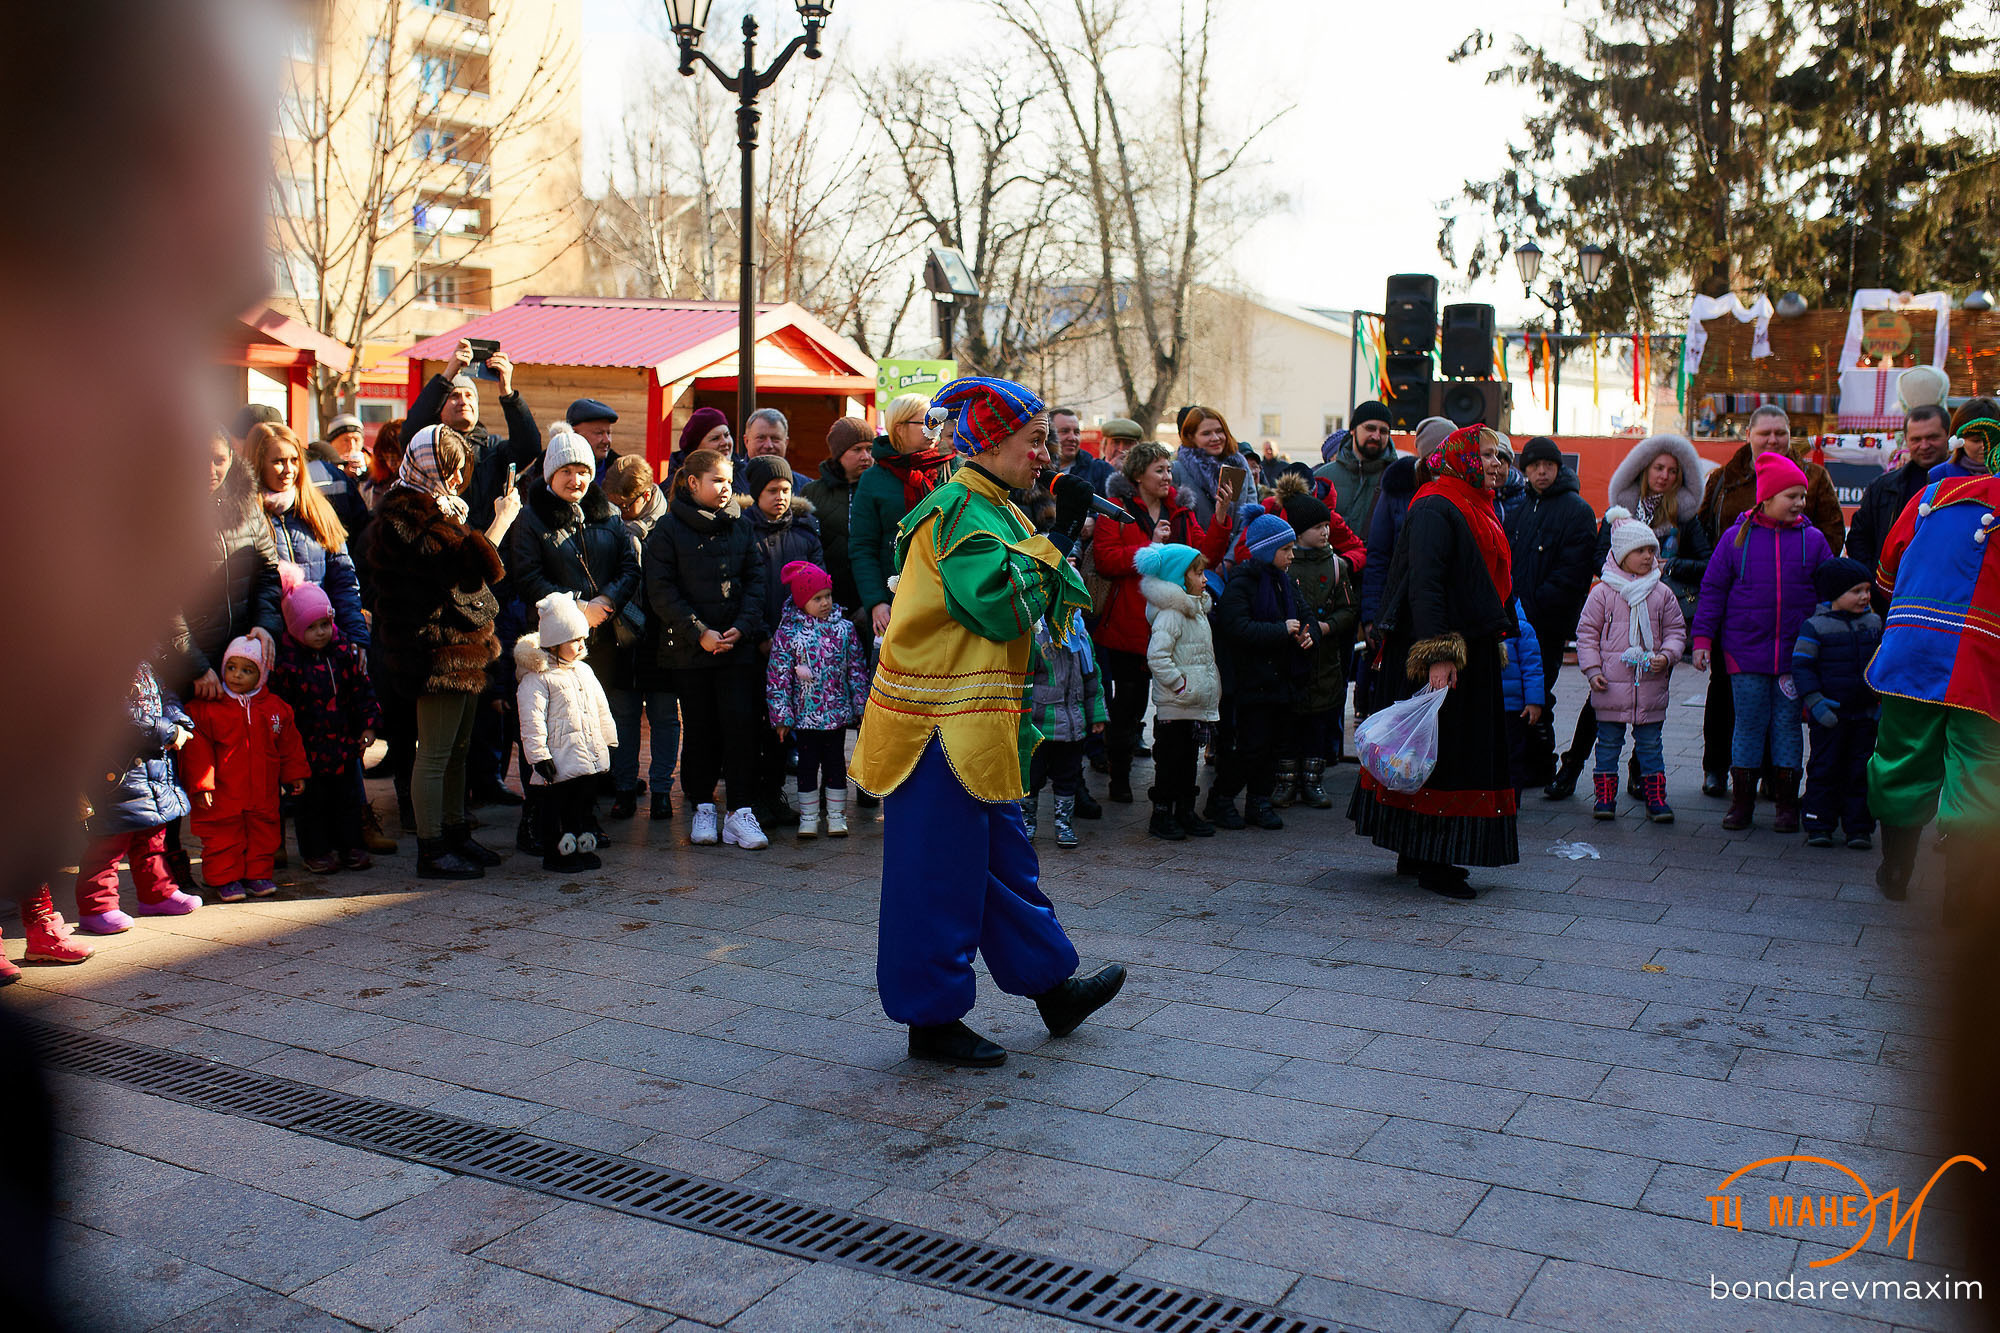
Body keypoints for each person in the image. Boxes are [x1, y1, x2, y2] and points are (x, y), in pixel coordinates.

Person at [851, 375, 1126, 1067]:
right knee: (937, 877)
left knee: (1005, 866)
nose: (1045, 454)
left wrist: (1050, 531)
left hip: (976, 729)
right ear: (993, 442)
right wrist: (1060, 530)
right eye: (1034, 441)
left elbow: (1039, 601)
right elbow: (1002, 607)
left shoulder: (995, 508)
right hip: (934, 731)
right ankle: (931, 1019)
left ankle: (1051, 987)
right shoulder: (958, 511)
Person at [1351, 426, 1520, 900]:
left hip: (1467, 643)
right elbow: (1426, 585)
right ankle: (1433, 862)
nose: (1493, 462)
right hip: (1445, 648)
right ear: (1461, 458)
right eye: (1485, 454)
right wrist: (1439, 656)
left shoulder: (1470, 503)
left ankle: (1420, 852)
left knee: (1445, 750)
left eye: (1497, 455)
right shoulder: (1436, 504)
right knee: (1443, 755)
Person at [367, 424, 520, 878]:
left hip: (462, 650)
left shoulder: (441, 508)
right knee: (433, 754)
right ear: (428, 466)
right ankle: (432, 849)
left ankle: (455, 833)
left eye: (460, 472)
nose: (457, 481)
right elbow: (464, 570)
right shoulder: (405, 515)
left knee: (458, 750)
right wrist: (501, 522)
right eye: (451, 471)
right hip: (433, 653)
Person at [1866, 435, 2000, 905]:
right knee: (1980, 771)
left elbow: (1886, 569)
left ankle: (1896, 871)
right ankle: (1962, 900)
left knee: (1903, 756)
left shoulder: (1930, 496)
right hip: (1986, 661)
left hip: (1914, 647)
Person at [1697, 405, 1846, 797]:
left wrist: (1806, 576)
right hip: (1740, 617)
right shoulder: (1723, 478)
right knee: (1730, 700)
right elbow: (1702, 530)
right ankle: (1719, 770)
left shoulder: (1813, 477)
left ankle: (1775, 784)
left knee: (1784, 717)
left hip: (1793, 619)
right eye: (1765, 433)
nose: (1773, 439)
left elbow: (1832, 534)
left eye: (1780, 432)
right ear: (1749, 434)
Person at [1563, 432, 1714, 797]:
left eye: (1673, 471)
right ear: (1644, 469)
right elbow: (1599, 556)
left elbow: (1708, 562)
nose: (1664, 475)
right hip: (1617, 617)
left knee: (1647, 701)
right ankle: (1571, 769)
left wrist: (1671, 565)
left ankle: (1639, 775)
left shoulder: (1685, 515)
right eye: (1658, 468)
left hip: (1660, 617)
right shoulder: (1621, 512)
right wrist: (1623, 575)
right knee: (1599, 700)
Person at [507, 422, 641, 829]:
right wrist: (577, 609)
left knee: (585, 726)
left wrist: (605, 602)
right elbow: (526, 575)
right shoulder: (531, 519)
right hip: (552, 642)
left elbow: (629, 566)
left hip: (602, 637)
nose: (576, 479)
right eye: (567, 471)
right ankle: (540, 817)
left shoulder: (608, 514)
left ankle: (584, 816)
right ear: (550, 475)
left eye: (583, 470)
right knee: (549, 728)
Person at [1092, 440, 1235, 805]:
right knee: (1128, 706)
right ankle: (1119, 775)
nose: (1167, 477)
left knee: (1177, 710)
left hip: (1174, 625)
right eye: (1159, 470)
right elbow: (1107, 559)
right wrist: (1152, 550)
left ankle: (1172, 785)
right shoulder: (1116, 510)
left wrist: (1220, 516)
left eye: (1169, 470)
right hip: (1129, 626)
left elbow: (1206, 559)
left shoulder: (1183, 514)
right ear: (1138, 475)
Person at [644, 447, 769, 849]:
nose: (725, 488)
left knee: (741, 726)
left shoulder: (741, 526)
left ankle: (741, 811)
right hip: (689, 651)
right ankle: (702, 806)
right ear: (693, 482)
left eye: (729, 481)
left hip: (737, 647)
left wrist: (741, 627)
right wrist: (699, 632)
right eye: (717, 480)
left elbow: (756, 581)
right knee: (699, 729)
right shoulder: (666, 531)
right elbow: (661, 591)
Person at [72, 662, 202, 933]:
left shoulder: (145, 660)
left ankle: (157, 894)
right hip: (115, 772)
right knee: (108, 845)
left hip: (152, 768)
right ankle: (97, 907)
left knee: (152, 837)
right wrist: (167, 731)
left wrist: (177, 720)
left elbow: (166, 694)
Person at [1504, 436, 1601, 800]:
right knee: (1518, 691)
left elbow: (1572, 575)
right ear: (1525, 470)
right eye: (1533, 466)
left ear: (1559, 468)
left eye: (1547, 465)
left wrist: (1532, 608)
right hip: (1513, 620)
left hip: (1546, 621)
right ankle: (1526, 761)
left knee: (1539, 689)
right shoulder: (1519, 507)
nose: (1541, 472)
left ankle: (1541, 763)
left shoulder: (1575, 510)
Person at [1575, 511, 1686, 823]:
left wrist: (1668, 654)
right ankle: (1605, 797)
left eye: (1652, 550)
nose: (1648, 557)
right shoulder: (1603, 593)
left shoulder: (1662, 593)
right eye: (1640, 551)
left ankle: (1655, 797)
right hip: (1611, 685)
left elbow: (1677, 631)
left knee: (1651, 745)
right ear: (1622, 554)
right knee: (1608, 743)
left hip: (1649, 686)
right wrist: (1593, 670)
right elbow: (1586, 635)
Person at [181, 637, 309, 903]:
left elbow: (289, 744)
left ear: (262, 674)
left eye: (247, 670)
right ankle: (224, 878)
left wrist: (294, 773)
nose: (237, 675)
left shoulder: (276, 708)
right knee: (221, 835)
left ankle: (258, 874)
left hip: (262, 788)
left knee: (264, 832)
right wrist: (203, 784)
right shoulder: (208, 708)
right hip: (223, 790)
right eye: (231, 667)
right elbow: (197, 749)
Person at [269, 575, 381, 875]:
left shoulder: (343, 650)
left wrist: (368, 726)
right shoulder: (287, 662)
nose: (320, 633)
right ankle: (316, 852)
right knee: (311, 805)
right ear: (294, 627)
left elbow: (362, 689)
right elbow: (280, 707)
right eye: (311, 627)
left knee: (347, 799)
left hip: (343, 743)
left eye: (324, 625)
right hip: (306, 750)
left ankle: (351, 846)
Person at [1214, 514, 1312, 830]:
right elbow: (1236, 627)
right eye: (1286, 549)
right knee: (1250, 747)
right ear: (1268, 551)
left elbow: (1306, 614)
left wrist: (1309, 634)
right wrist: (1279, 630)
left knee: (1272, 747)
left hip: (1281, 680)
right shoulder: (1243, 583)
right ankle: (1222, 799)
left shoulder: (1285, 582)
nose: (1292, 555)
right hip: (1251, 681)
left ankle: (1259, 801)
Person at [743, 453, 824, 828]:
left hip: (796, 644)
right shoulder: (742, 531)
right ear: (757, 492)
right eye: (772, 490)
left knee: (783, 722)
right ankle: (751, 796)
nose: (780, 496)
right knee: (754, 724)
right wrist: (760, 634)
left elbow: (817, 587)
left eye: (786, 489)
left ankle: (774, 793)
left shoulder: (805, 531)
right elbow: (745, 589)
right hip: (756, 643)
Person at [600, 454, 680, 822]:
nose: (618, 511)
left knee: (664, 716)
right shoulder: (613, 526)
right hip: (621, 635)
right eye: (612, 504)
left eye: (625, 504)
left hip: (663, 637)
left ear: (647, 494)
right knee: (623, 717)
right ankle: (623, 788)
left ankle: (662, 790)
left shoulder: (671, 525)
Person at [767, 560, 868, 839]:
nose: (825, 603)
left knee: (836, 764)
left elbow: (856, 669)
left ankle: (836, 816)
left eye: (827, 596)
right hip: (805, 717)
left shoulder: (844, 630)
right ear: (801, 601)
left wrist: (861, 706)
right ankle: (809, 817)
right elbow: (779, 678)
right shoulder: (788, 634)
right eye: (816, 598)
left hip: (835, 714)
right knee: (807, 766)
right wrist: (782, 717)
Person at [517, 591, 617, 873]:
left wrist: (606, 741)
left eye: (582, 638)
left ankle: (581, 846)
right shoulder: (538, 679)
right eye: (574, 640)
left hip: (585, 757)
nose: (581, 644)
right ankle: (557, 852)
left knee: (582, 805)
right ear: (554, 642)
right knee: (557, 808)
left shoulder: (584, 671)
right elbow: (532, 720)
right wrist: (539, 756)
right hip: (558, 760)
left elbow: (600, 708)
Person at [246, 421, 368, 647]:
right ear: (258, 464)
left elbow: (343, 580)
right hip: (272, 648)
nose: (288, 470)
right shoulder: (246, 517)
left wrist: (356, 635)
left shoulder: (317, 509)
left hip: (324, 645)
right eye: (278, 462)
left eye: (293, 460)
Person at [1793, 556, 1882, 851]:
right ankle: (1819, 823)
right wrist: (1816, 703)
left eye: (1867, 590)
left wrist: (1881, 702)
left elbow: (1882, 664)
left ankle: (1859, 827)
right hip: (1828, 714)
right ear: (1834, 593)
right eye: (1856, 591)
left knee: (1861, 771)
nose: (1865, 597)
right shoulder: (1815, 627)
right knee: (1824, 768)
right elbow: (1803, 667)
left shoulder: (1873, 623)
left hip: (1865, 715)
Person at [405, 338, 540, 532]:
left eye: (469, 396)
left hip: (489, 543)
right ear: (439, 409)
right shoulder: (429, 448)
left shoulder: (493, 448)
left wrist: (507, 392)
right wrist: (448, 374)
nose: (463, 401)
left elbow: (529, 448)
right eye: (454, 396)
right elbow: (410, 433)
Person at [852, 393, 957, 640]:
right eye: (926, 422)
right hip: (895, 599)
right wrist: (876, 601)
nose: (935, 429)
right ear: (899, 428)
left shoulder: (954, 468)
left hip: (949, 597)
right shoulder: (873, 478)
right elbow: (862, 547)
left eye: (937, 422)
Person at [1023, 546, 1108, 850]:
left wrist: (1096, 714)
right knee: (1032, 777)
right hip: (1040, 723)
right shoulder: (1036, 634)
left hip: (1072, 725)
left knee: (1068, 776)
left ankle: (1063, 822)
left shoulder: (1079, 635)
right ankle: (1027, 822)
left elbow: (1091, 676)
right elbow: (1024, 680)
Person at [1134, 543, 1220, 840]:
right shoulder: (1171, 614)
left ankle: (1185, 810)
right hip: (1177, 703)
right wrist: (1180, 684)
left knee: (1187, 762)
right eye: (1198, 573)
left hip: (1193, 703)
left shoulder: (1196, 611)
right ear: (1178, 578)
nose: (1205, 579)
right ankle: (1162, 815)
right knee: (1169, 762)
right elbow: (1158, 656)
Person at [1281, 490, 1359, 808]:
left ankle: (1313, 780)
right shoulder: (1285, 564)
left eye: (1327, 525)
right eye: (1317, 527)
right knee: (1288, 723)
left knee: (1318, 723)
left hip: (1325, 660)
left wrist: (1327, 627)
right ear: (1299, 532)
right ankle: (1285, 780)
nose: (1325, 532)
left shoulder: (1337, 565)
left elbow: (1349, 610)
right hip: (1290, 658)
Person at [1846, 404, 1950, 579]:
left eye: (1932, 437)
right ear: (1906, 440)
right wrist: (1875, 582)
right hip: (1892, 594)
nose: (1924, 446)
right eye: (1916, 439)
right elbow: (1859, 539)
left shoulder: (1968, 484)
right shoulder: (1882, 487)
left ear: (1948, 435)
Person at [799, 417, 873, 615]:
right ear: (839, 453)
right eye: (857, 449)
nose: (866, 456)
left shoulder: (878, 491)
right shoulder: (812, 493)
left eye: (869, 449)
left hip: (872, 602)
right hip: (825, 603)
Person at [1315, 400, 1402, 536]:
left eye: (1383, 431)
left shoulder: (1401, 478)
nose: (1376, 436)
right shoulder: (1323, 478)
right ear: (1353, 430)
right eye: (1370, 428)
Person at [1173, 405, 1242, 526]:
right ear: (1191, 436)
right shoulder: (1177, 471)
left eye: (1219, 431)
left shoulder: (1239, 465)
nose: (1215, 438)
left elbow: (1246, 515)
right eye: (1206, 433)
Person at [1052, 407, 1115, 495]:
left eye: (1076, 432)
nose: (1073, 438)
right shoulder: (1034, 473)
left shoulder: (1101, 471)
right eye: (1064, 431)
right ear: (1048, 435)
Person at [566, 398, 620, 483]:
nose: (607, 440)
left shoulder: (623, 474)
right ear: (574, 434)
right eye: (599, 433)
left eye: (609, 433)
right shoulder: (547, 473)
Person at [677, 405, 732, 469]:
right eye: (715, 438)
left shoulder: (743, 474)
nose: (725, 442)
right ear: (696, 449)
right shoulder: (680, 478)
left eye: (726, 435)